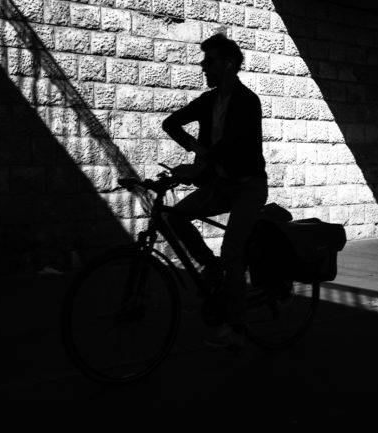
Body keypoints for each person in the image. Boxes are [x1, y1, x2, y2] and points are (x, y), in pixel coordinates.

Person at [161, 33, 268, 350]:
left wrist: (197, 165)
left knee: (233, 252)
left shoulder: (248, 102)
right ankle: (210, 267)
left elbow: (231, 145)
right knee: (175, 217)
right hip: (220, 184)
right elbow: (171, 123)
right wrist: (196, 150)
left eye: (210, 61)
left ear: (229, 64)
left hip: (248, 186)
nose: (203, 66)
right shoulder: (208, 102)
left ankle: (237, 329)